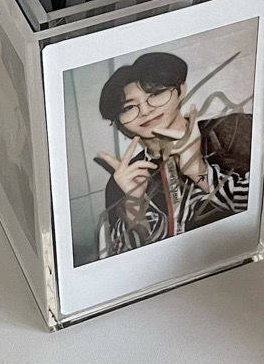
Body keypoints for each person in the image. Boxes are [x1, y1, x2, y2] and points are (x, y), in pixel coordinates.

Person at [95, 51, 252, 258]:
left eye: (156, 94)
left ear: (181, 90)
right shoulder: (123, 178)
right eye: (129, 107)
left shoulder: (234, 129)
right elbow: (127, 261)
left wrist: (199, 172)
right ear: (119, 121)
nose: (145, 111)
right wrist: (135, 205)